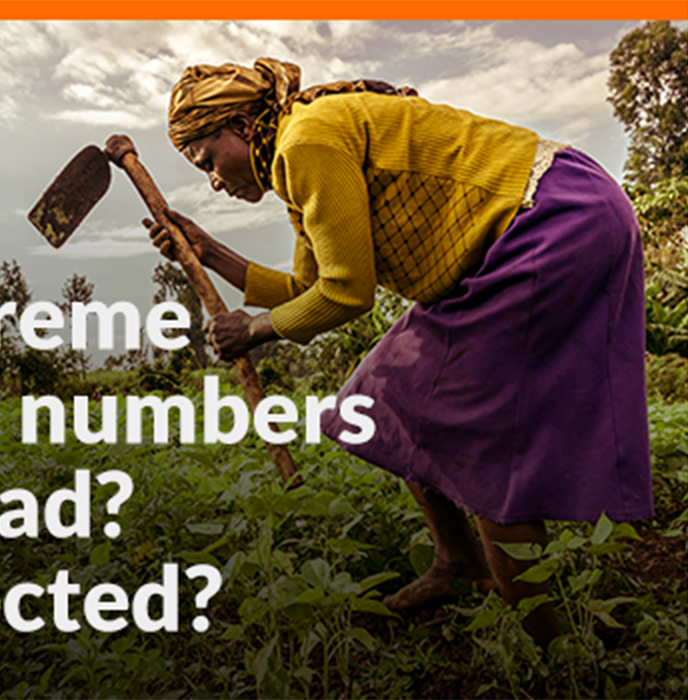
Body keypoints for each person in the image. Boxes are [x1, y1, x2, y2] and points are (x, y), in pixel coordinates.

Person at [145, 58, 653, 647]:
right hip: (527, 230)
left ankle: (552, 653)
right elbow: (308, 287)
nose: (213, 180)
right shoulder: (298, 153)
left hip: (550, 218)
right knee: (381, 397)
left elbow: (345, 294)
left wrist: (254, 331)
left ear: (237, 122)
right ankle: (459, 562)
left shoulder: (306, 140)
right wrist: (207, 251)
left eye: (208, 160)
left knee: (480, 443)